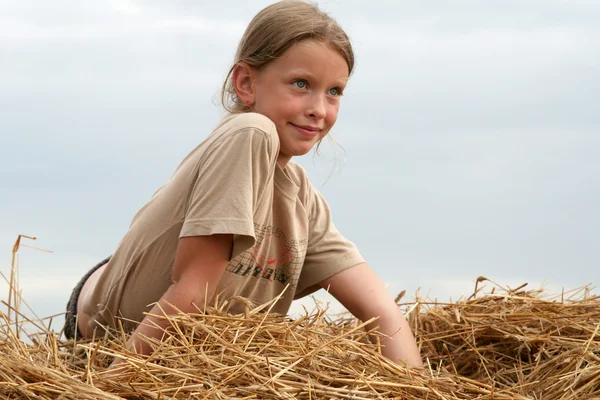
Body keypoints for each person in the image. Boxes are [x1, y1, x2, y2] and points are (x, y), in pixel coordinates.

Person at [64, 0, 423, 369]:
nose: (319, 108)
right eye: (301, 84)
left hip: (194, 355)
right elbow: (193, 285)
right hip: (108, 321)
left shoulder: (301, 198)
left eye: (334, 91)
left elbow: (381, 312)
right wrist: (111, 384)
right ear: (246, 83)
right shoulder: (249, 132)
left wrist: (418, 391)